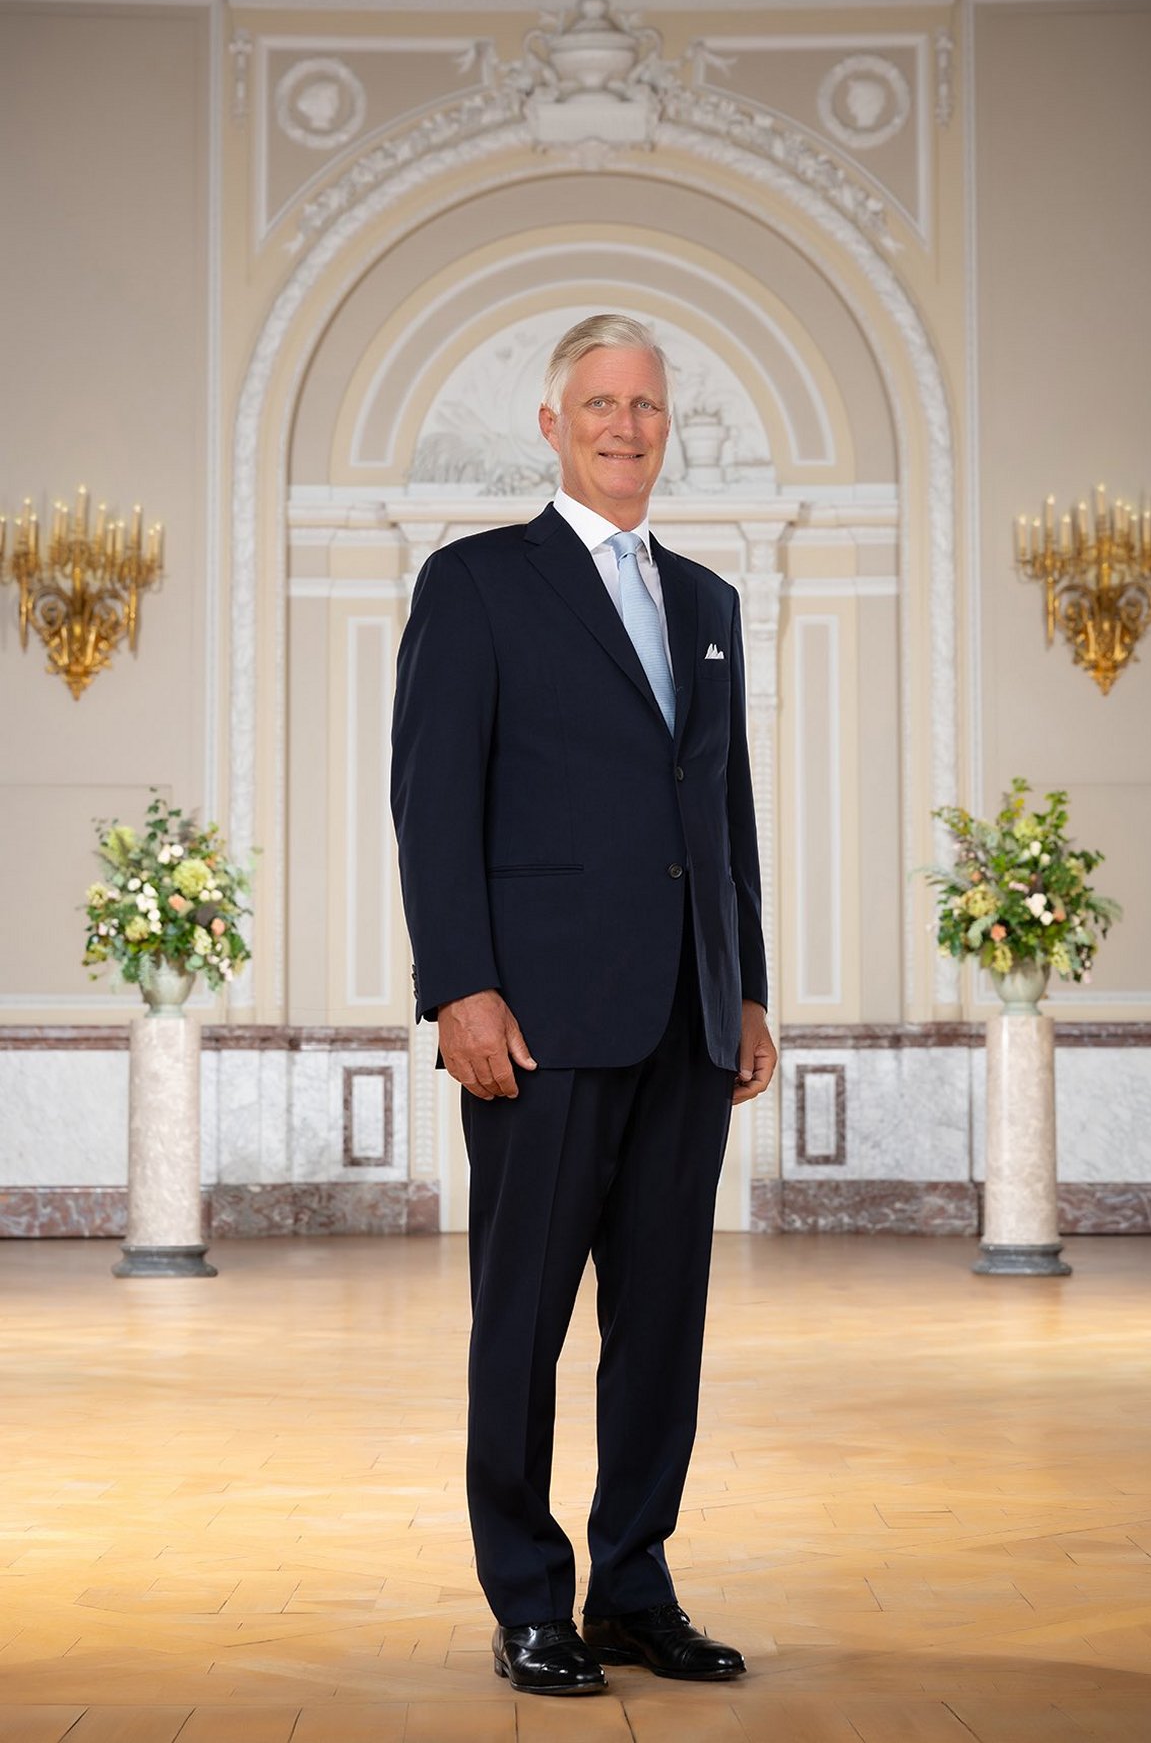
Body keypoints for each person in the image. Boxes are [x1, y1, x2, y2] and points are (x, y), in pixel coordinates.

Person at [390, 312, 776, 1697]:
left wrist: (747, 989)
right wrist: (459, 988)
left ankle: (633, 1585)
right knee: (526, 1319)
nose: (626, 427)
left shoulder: (712, 605)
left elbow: (719, 817)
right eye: (600, 405)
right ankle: (528, 1598)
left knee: (663, 1321)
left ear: (671, 429)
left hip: (685, 1021)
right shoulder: (480, 585)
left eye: (649, 408)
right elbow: (432, 803)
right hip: (537, 1024)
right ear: (551, 426)